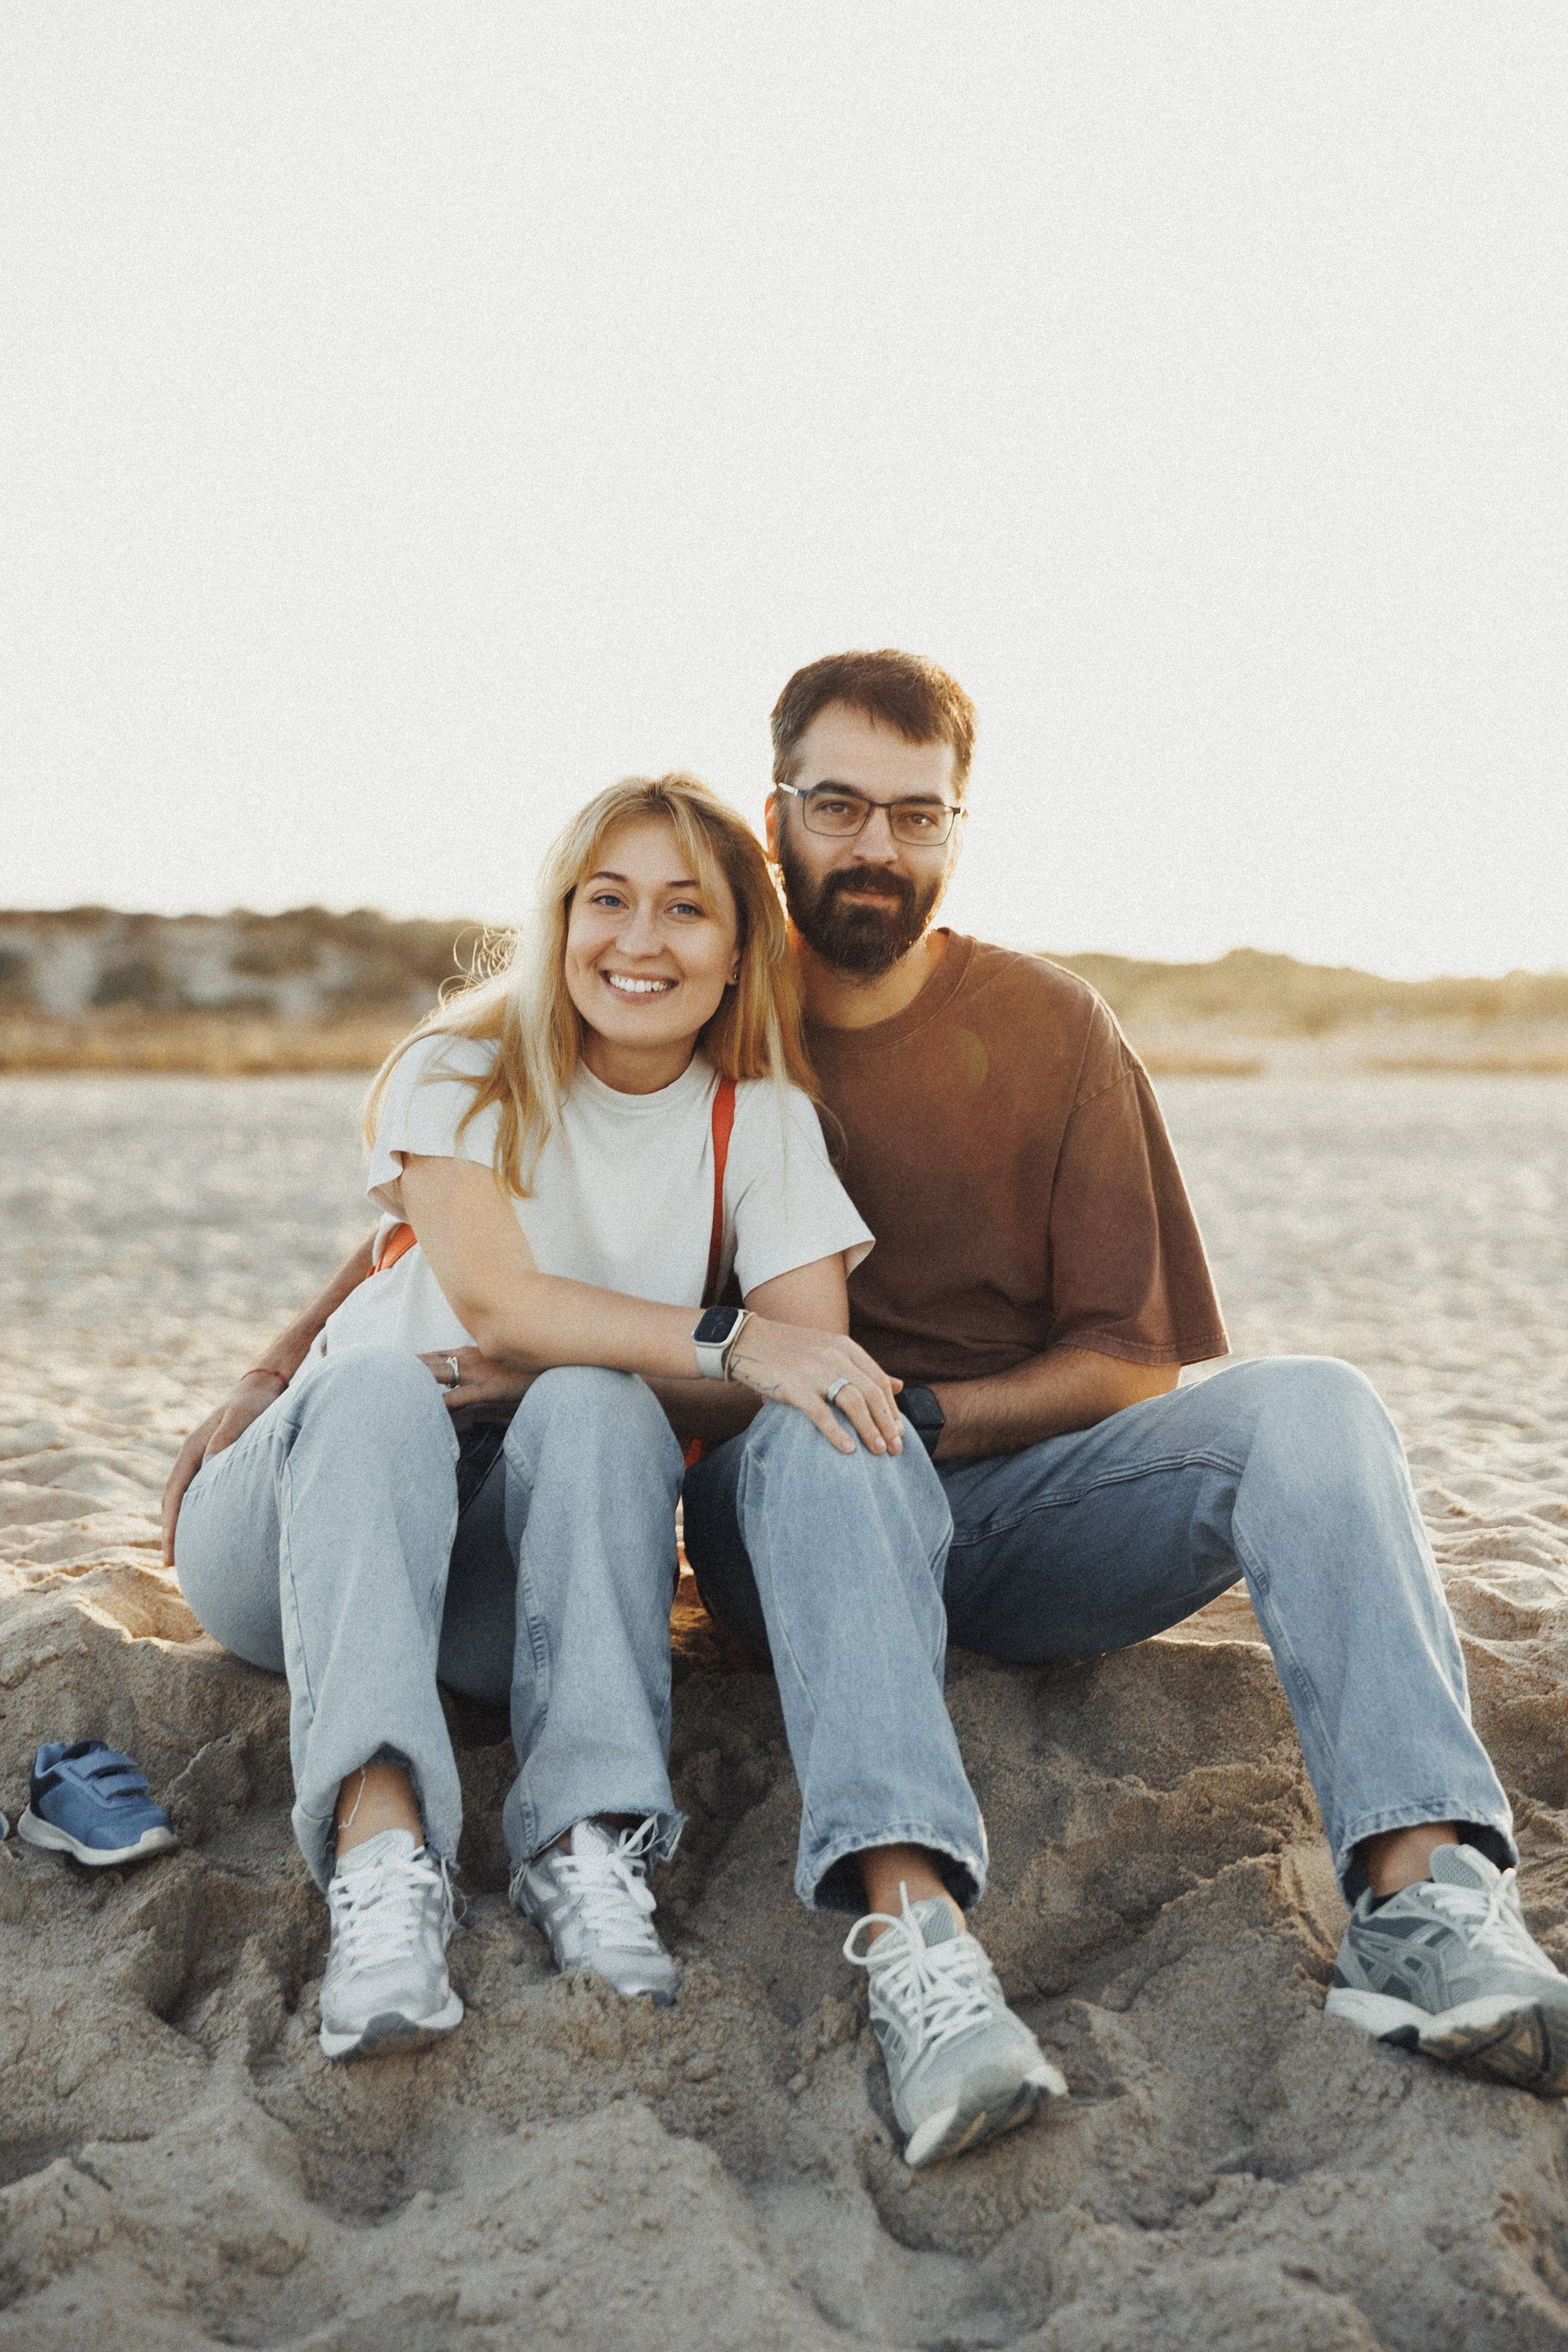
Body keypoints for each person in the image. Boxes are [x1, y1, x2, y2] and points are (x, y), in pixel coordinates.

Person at [171, 649, 1567, 2113]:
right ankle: (899, 1941)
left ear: (955, 832)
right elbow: (450, 1234)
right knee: (785, 1436)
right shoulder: (598, 1034)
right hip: (758, 1498)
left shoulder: (975, 1047)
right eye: (838, 808)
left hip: (962, 1488)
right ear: (776, 822)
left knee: (1316, 1405)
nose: (876, 846)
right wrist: (274, 1368)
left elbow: (1124, 1362)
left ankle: (1422, 1899)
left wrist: (910, 1412)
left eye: (916, 815)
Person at [170, 769, 1064, 2166]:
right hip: (308, 1523)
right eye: (607, 900)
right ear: (561, 917)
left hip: (500, 1579)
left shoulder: (757, 1122)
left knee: (593, 1410)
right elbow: (502, 1305)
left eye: (683, 910)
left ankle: (582, 1843)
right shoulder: (458, 1066)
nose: (638, 941)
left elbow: (809, 1366)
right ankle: (382, 1864)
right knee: (380, 1403)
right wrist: (709, 1337)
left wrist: (590, 1363)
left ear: (735, 950)